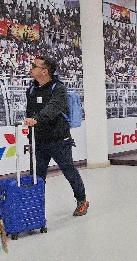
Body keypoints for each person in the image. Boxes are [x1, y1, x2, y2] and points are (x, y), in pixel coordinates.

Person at [24, 55, 89, 216]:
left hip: (60, 141)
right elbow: (29, 113)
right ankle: (36, 208)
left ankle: (82, 200)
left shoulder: (58, 89)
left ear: (45, 71)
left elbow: (52, 109)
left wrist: (36, 119)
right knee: (37, 177)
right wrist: (29, 138)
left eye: (34, 66)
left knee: (69, 172)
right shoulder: (31, 90)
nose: (31, 68)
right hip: (39, 141)